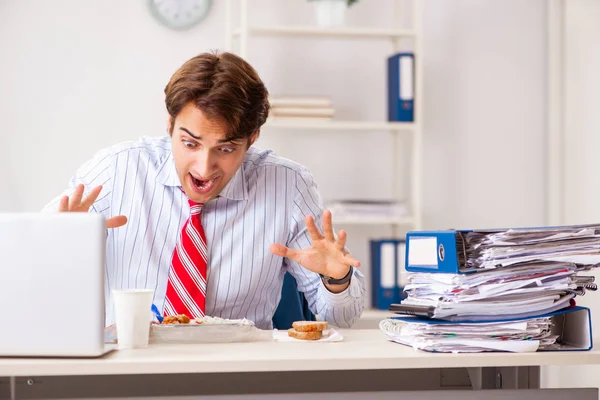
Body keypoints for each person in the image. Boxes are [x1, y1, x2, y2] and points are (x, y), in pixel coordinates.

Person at [44, 51, 365, 329]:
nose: (203, 167)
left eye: (225, 149)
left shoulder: (288, 186)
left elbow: (342, 319)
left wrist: (337, 279)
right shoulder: (116, 172)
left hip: (239, 375)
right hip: (133, 368)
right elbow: (33, 276)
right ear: (170, 125)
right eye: (189, 143)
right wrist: (59, 242)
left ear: (252, 138)